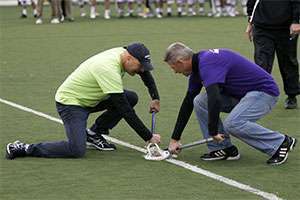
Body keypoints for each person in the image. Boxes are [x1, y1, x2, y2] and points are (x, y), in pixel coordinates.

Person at [6, 42, 161, 159]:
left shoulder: (126, 54)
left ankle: (94, 133)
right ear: (128, 58)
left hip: (92, 98)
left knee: (130, 97)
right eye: (140, 66)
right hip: (71, 104)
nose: (141, 70)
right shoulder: (108, 67)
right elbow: (124, 109)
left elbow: (144, 73)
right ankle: (25, 148)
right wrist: (148, 136)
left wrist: (155, 97)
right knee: (76, 150)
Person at [164, 42, 297, 165]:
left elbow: (215, 98)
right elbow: (188, 103)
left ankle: (280, 142)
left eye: (173, 67)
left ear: (180, 62)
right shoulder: (197, 69)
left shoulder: (207, 62)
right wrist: (175, 138)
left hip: (264, 93)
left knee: (232, 124)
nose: (175, 72)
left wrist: (213, 131)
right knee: (199, 101)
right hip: (242, 97)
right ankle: (224, 149)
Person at [246, 0, 300, 109]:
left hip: (286, 27)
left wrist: (296, 21)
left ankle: (292, 95)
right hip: (262, 27)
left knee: (288, 62)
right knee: (262, 63)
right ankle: (260, 95)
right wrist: (250, 22)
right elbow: (252, 1)